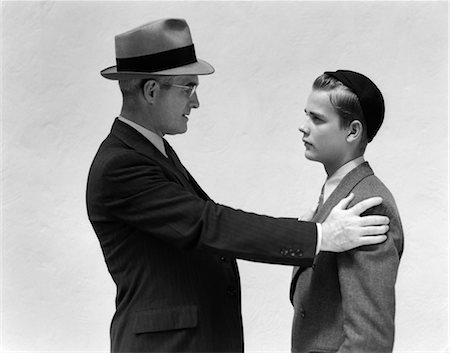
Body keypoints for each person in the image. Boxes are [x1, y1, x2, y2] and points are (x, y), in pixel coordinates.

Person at [86, 19, 390, 353]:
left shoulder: (151, 150)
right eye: (188, 87)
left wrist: (304, 231)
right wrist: (319, 237)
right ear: (152, 91)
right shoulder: (121, 165)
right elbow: (207, 224)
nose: (196, 102)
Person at [290, 70, 404, 353]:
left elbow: (369, 340)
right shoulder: (335, 193)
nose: (304, 127)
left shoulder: (367, 205)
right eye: (307, 115)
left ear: (352, 131)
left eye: (317, 119)